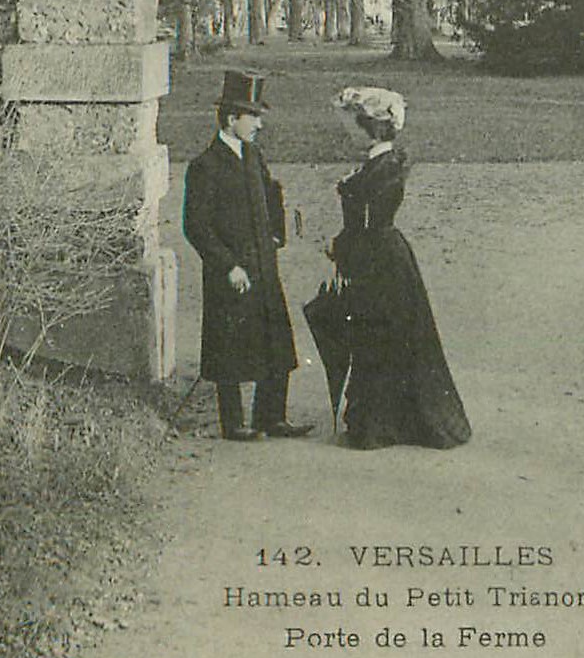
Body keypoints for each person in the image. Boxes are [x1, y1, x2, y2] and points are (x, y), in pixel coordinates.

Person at [329, 85, 470, 451]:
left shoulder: (384, 168)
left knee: (380, 333)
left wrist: (341, 247)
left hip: (379, 257)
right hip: (381, 253)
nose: (347, 133)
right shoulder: (381, 162)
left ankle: (382, 424)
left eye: (352, 126)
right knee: (382, 334)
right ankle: (384, 420)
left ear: (369, 128)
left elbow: (367, 223)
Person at [183, 70, 312, 443]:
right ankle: (234, 422)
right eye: (252, 117)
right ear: (230, 119)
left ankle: (272, 417)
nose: (259, 125)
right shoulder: (205, 166)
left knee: (275, 338)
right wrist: (228, 266)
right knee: (230, 345)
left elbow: (271, 195)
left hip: (263, 265)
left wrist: (276, 235)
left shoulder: (254, 156)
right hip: (231, 273)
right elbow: (196, 226)